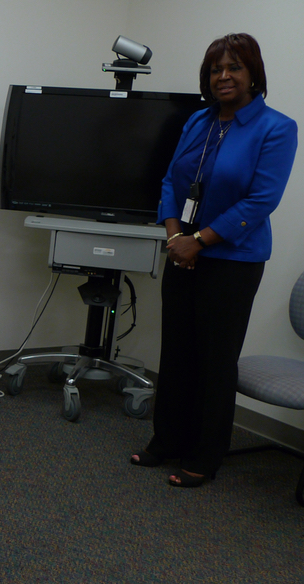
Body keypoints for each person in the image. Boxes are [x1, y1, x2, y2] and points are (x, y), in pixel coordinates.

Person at [131, 33, 298, 488]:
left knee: (215, 359)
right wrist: (175, 237)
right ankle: (166, 442)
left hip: (234, 260)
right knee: (177, 350)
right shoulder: (198, 121)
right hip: (181, 250)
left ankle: (206, 456)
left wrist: (199, 241)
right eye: (215, 69)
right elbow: (170, 180)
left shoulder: (277, 128)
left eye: (234, 67)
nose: (223, 76)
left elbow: (261, 201)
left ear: (252, 74)